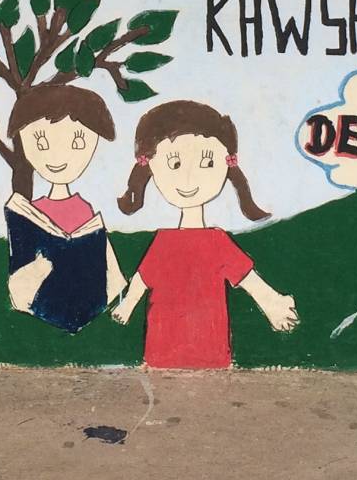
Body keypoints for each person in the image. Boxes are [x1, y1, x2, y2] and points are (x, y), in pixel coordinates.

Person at [111, 101, 298, 368]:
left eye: (207, 162)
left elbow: (247, 279)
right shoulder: (164, 242)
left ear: (227, 164)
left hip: (209, 351)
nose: (189, 178)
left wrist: (273, 303)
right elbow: (144, 276)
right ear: (150, 167)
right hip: (162, 350)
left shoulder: (216, 241)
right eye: (174, 163)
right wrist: (127, 305)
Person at [3, 84, 128, 332]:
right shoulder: (31, 212)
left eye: (77, 141)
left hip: (87, 295)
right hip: (44, 299)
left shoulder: (84, 208)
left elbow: (104, 259)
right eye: (40, 142)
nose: (57, 155)